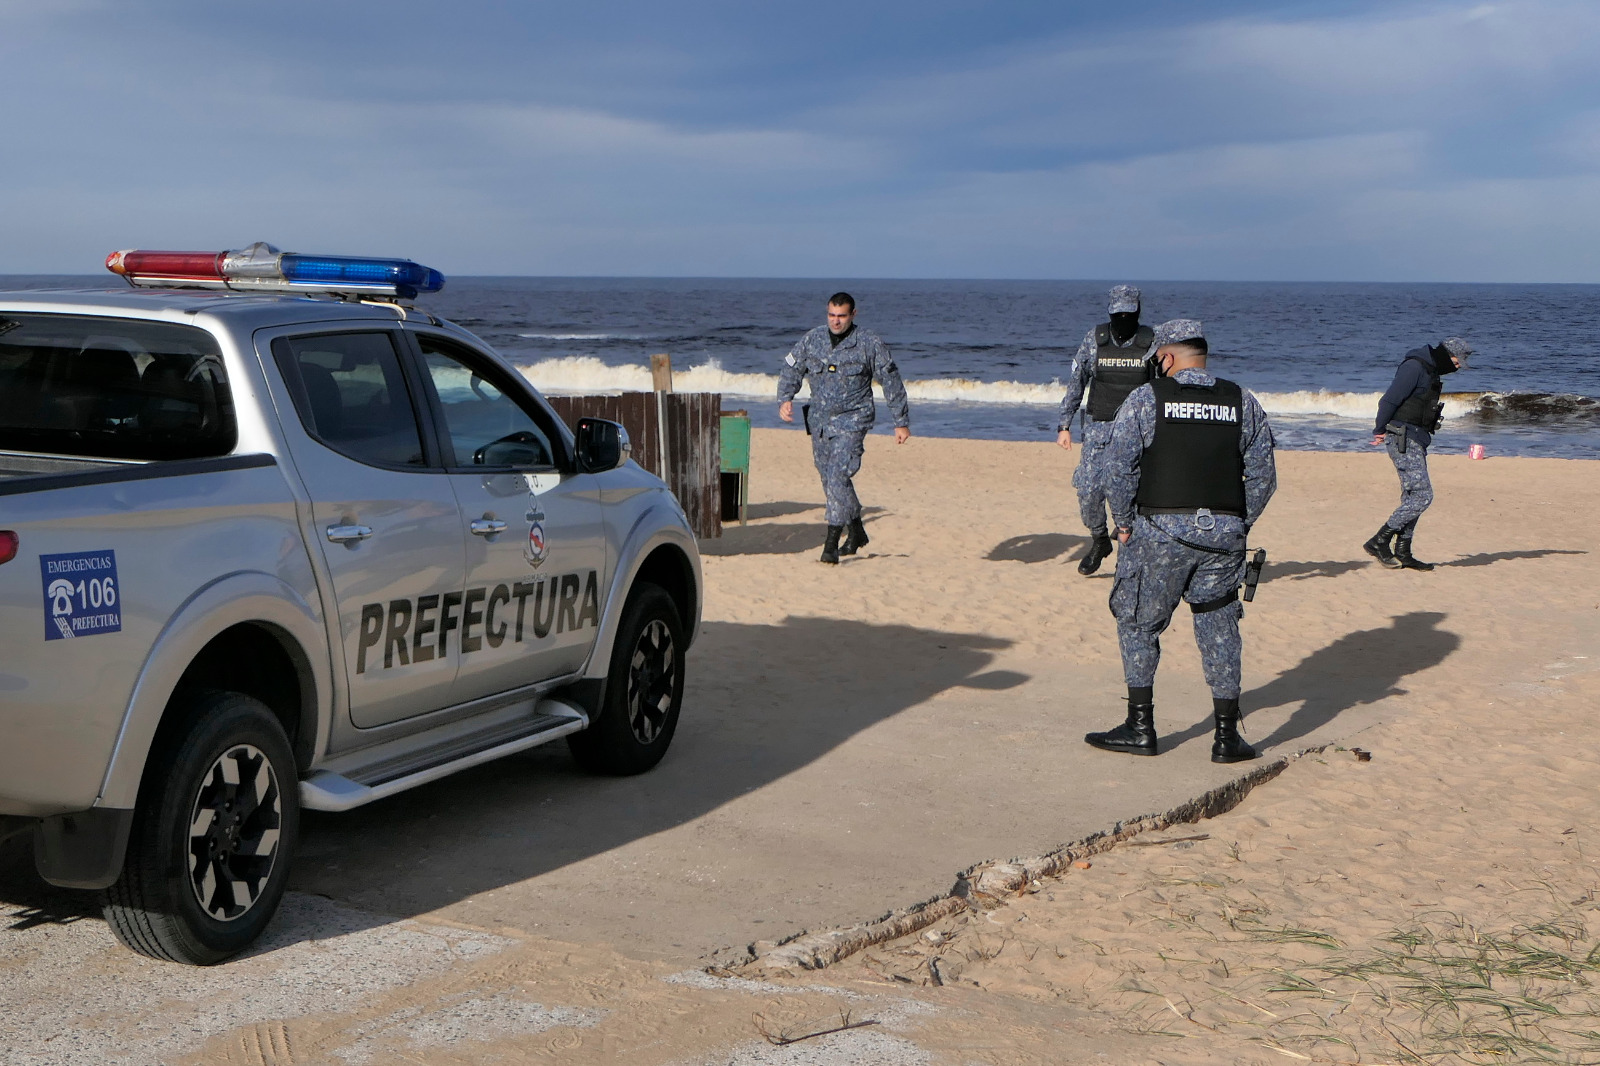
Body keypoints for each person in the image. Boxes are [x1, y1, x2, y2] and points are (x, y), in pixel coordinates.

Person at [1084, 320, 1277, 763]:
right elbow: (1264, 477)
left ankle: (1140, 726)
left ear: (1166, 358)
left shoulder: (1146, 399)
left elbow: (1117, 467)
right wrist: (1236, 523)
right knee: (1219, 627)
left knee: (1137, 622)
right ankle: (1227, 737)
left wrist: (1125, 520)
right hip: (1222, 538)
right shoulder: (1241, 400)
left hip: (1158, 534)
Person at [777, 292, 911, 564]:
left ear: (853, 315)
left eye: (841, 316)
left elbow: (891, 381)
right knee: (828, 478)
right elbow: (791, 367)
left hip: (853, 418)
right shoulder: (813, 339)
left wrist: (901, 422)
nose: (835, 321)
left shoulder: (869, 343)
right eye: (831, 315)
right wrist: (785, 398)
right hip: (819, 420)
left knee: (838, 475)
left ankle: (830, 544)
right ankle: (858, 531)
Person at [1055, 285, 1156, 576]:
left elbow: (1164, 387)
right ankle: (1100, 540)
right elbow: (1077, 383)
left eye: (1128, 313)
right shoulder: (1095, 340)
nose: (1123, 318)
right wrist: (1065, 425)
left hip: (1139, 431)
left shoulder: (1151, 341)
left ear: (1137, 311)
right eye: (1118, 313)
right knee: (1088, 491)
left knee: (1132, 494)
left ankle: (1131, 552)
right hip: (1099, 428)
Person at [1363, 337, 1471, 572]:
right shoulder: (1414, 367)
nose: (1459, 366)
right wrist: (1379, 429)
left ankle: (1403, 551)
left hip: (1416, 438)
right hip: (1402, 436)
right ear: (1445, 355)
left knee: (1412, 496)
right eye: (1456, 361)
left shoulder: (1431, 371)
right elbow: (1389, 400)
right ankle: (1379, 540)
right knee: (1423, 495)